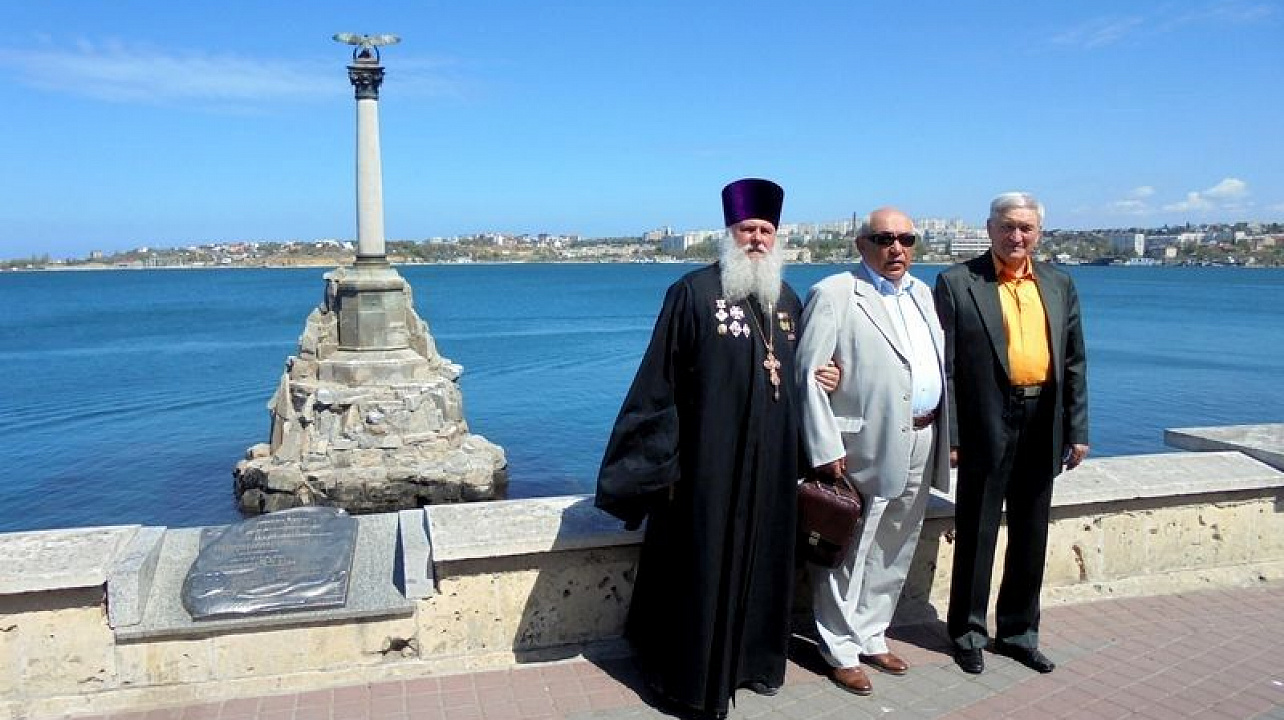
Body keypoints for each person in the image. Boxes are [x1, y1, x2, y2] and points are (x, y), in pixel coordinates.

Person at [595, 178, 806, 720]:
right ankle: (686, 680)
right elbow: (657, 383)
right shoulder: (691, 293)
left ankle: (754, 664)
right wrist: (649, 468)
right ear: (728, 234)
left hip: (771, 467)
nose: (756, 239)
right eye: (746, 230)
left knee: (763, 565)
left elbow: (794, 376)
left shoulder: (786, 299)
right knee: (699, 571)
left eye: (764, 231)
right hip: (705, 469)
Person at [794, 207, 951, 695]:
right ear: (862, 245)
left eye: (907, 238)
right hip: (860, 443)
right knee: (851, 546)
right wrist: (823, 446)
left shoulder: (923, 295)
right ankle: (838, 647)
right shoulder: (835, 294)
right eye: (884, 238)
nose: (897, 248)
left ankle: (871, 632)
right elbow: (808, 375)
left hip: (922, 437)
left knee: (897, 542)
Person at [934, 191, 1090, 675]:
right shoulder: (958, 283)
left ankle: (1020, 633)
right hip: (985, 421)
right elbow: (947, 368)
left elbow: (1074, 361)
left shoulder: (1059, 283)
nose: (1016, 236)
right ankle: (968, 633)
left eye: (1025, 228)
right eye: (1007, 227)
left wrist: (1077, 429)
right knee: (977, 530)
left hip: (1044, 418)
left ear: (1039, 233)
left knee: (1031, 533)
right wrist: (953, 435)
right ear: (990, 229)